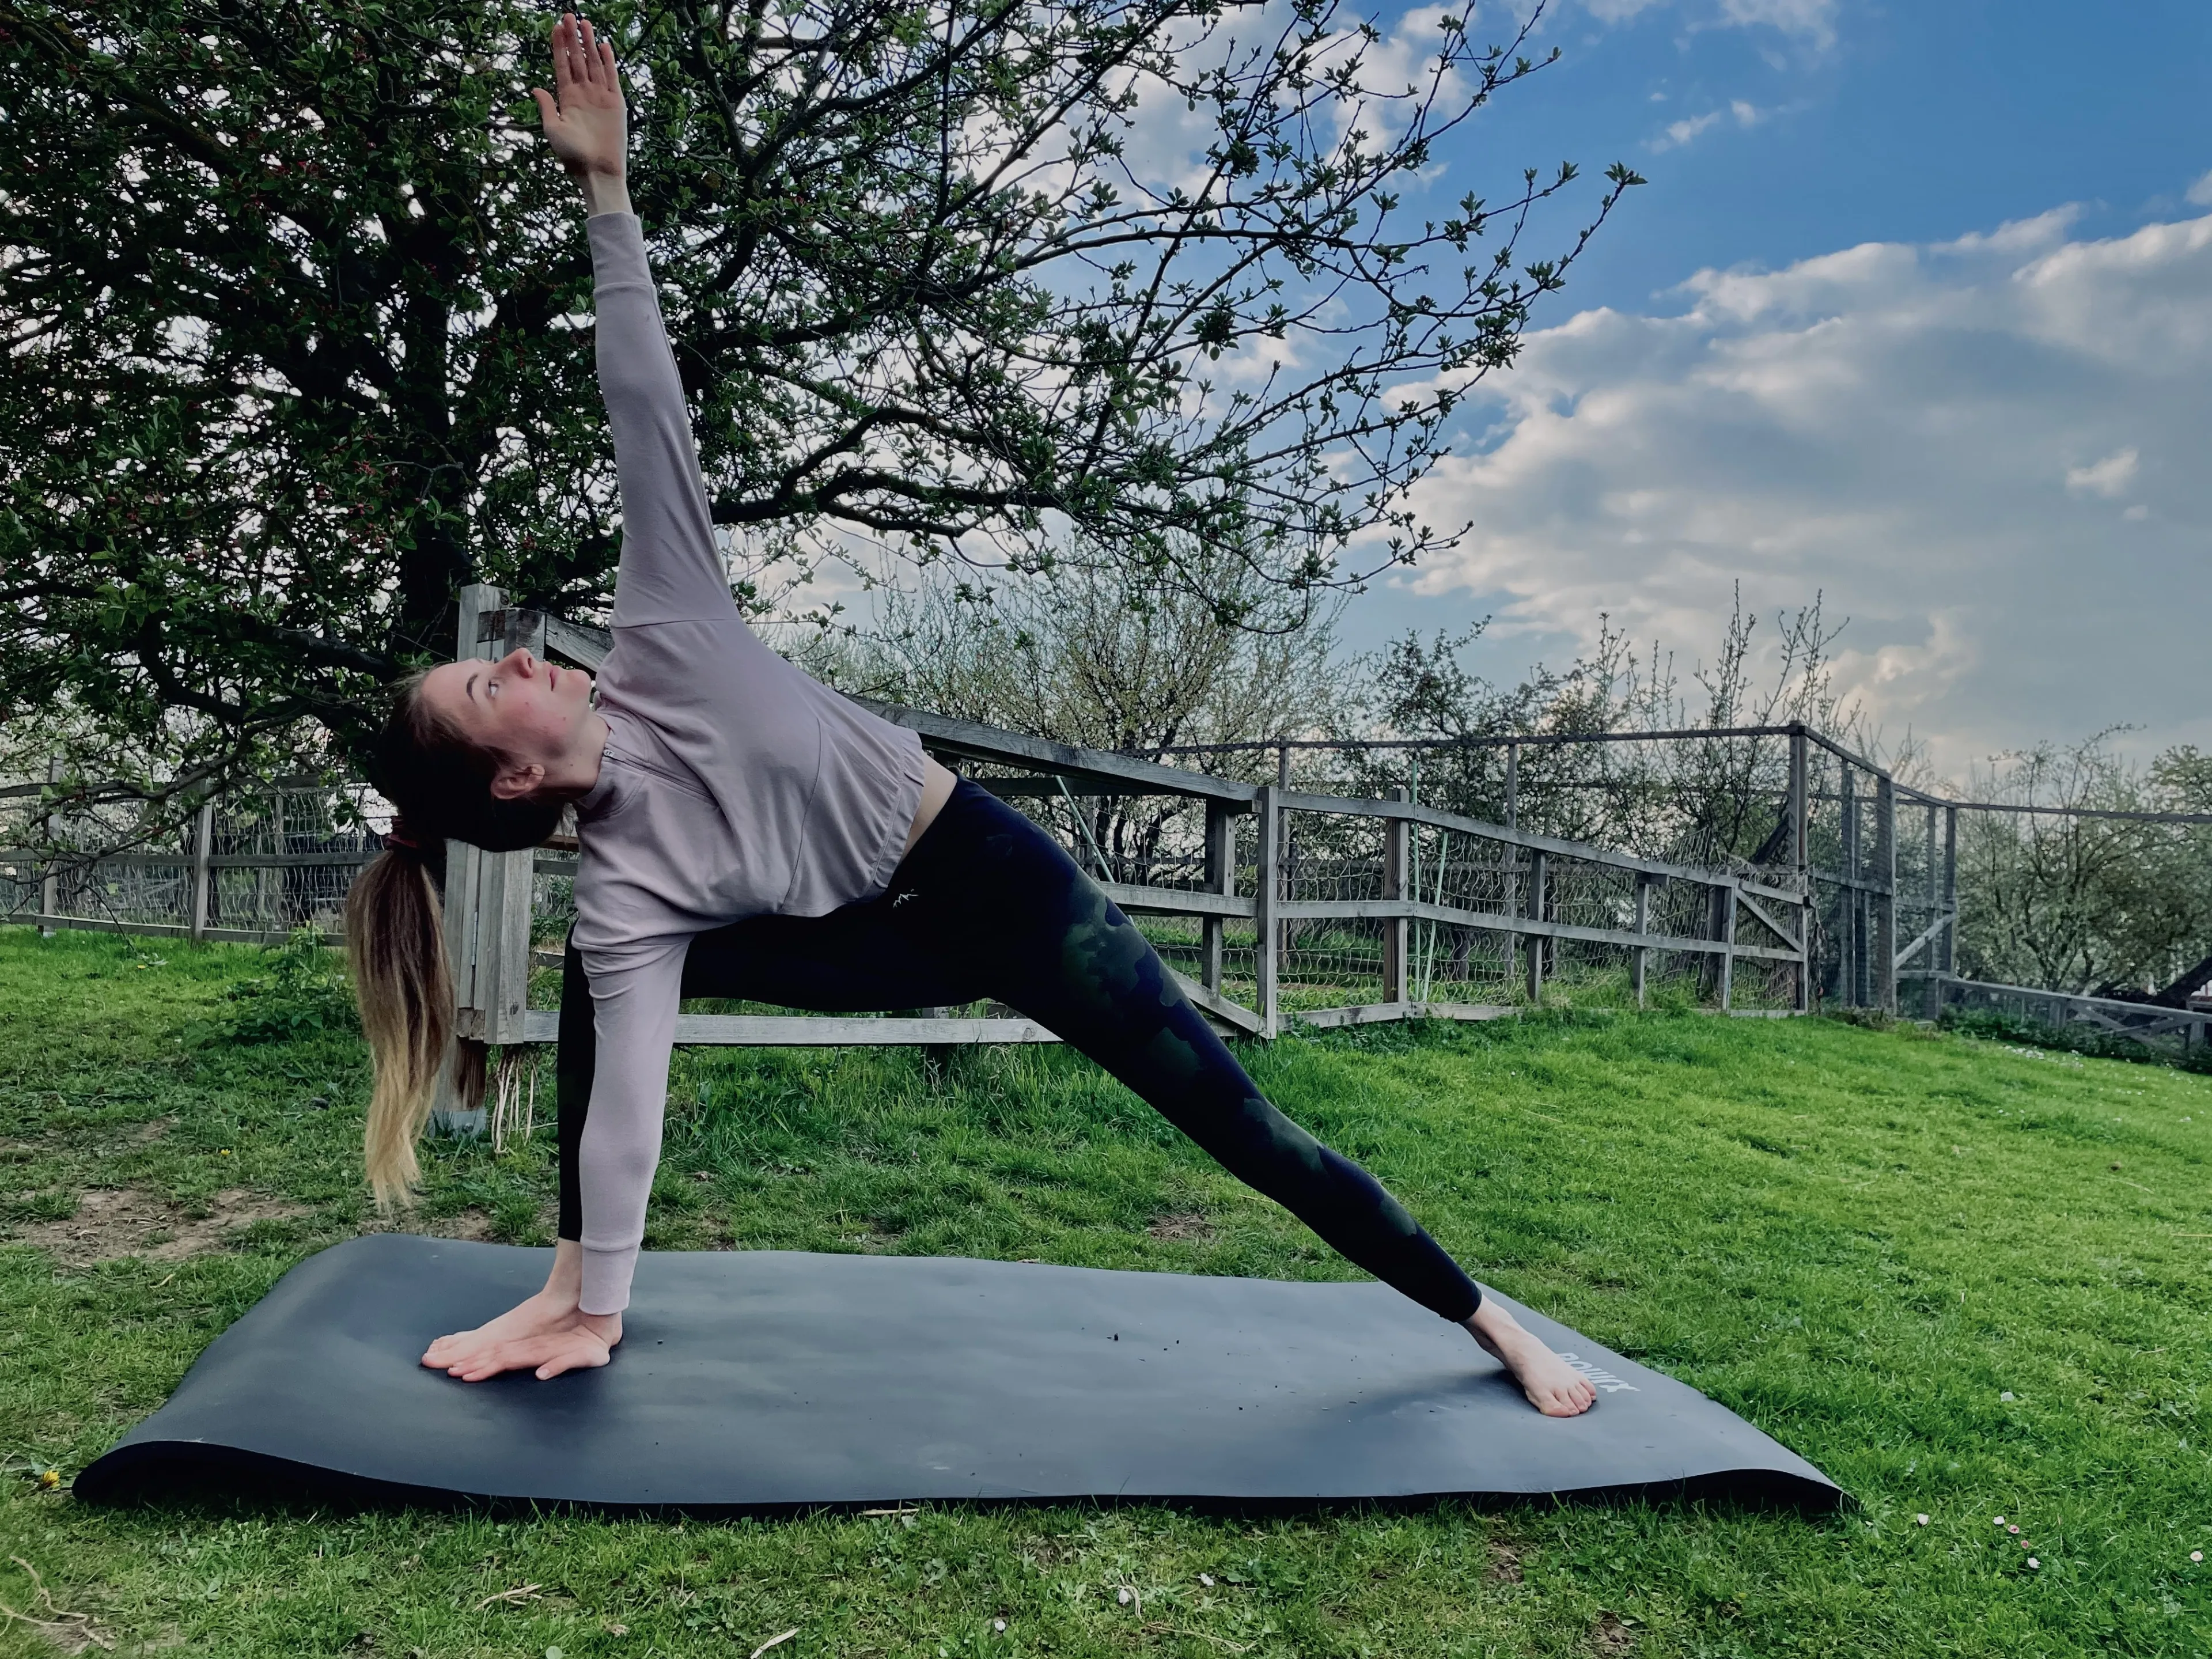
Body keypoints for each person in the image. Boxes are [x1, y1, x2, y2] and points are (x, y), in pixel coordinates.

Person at [344, 12, 1596, 1418]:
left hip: (994, 885)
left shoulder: (669, 632)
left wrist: (608, 194)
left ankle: (1491, 1321)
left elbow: (644, 408)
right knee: (605, 975)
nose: (515, 658)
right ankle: (578, 1299)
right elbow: (624, 1114)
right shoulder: (629, 892)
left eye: (492, 659)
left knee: (1234, 1121)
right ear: (511, 781)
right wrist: (607, 1298)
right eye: (484, 685)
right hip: (866, 944)